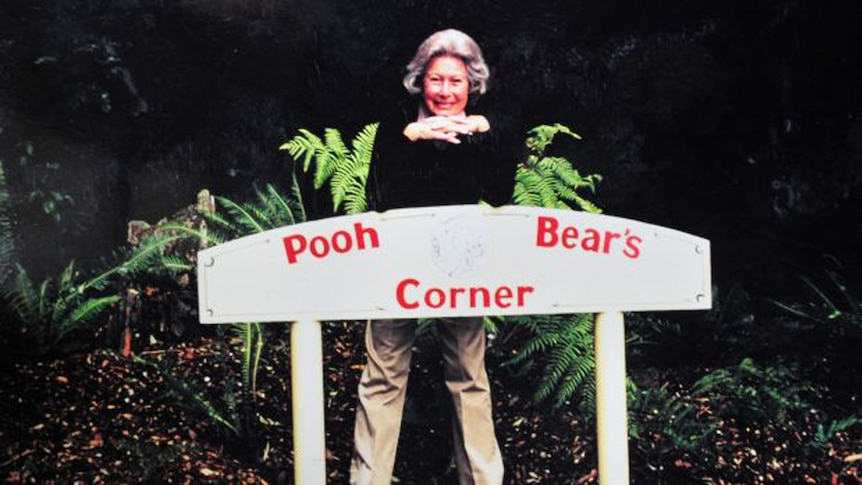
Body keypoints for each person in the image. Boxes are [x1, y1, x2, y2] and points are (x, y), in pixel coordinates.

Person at [350, 29, 517, 485]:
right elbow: (379, 198)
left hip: (458, 268)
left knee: (468, 374)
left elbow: (501, 194)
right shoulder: (396, 130)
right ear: (420, 81)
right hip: (398, 267)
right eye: (437, 80)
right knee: (383, 375)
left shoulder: (480, 130)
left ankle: (482, 479)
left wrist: (486, 135)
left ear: (472, 86)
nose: (445, 92)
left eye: (456, 82)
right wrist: (412, 138)